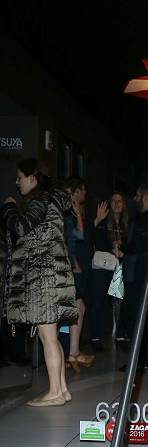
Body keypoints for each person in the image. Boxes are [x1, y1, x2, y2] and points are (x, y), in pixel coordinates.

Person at [1, 159, 77, 405]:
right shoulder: (52, 201)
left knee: (47, 336)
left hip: (42, 276)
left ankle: (55, 392)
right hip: (52, 273)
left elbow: (22, 227)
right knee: (51, 336)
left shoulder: (38, 200)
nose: (16, 182)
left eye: (20, 177)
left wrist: (9, 209)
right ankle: (62, 389)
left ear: (32, 178)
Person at [120, 185, 148, 371]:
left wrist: (122, 248)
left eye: (138, 196)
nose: (135, 199)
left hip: (139, 272)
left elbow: (133, 244)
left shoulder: (141, 221)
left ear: (145, 199)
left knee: (134, 316)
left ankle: (139, 361)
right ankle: (147, 359)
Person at [90, 192, 129, 345]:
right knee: (98, 301)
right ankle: (96, 337)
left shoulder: (128, 223)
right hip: (103, 265)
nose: (116, 204)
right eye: (113, 200)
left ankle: (119, 334)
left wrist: (123, 249)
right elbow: (91, 236)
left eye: (120, 201)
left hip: (119, 265)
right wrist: (98, 219)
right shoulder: (103, 220)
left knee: (119, 301)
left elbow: (132, 243)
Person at [64, 177, 95, 364]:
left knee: (78, 307)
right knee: (77, 307)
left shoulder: (71, 213)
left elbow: (79, 236)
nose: (85, 193)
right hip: (68, 267)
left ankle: (73, 353)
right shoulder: (65, 213)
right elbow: (68, 241)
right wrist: (73, 262)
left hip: (70, 266)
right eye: (82, 189)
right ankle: (72, 353)